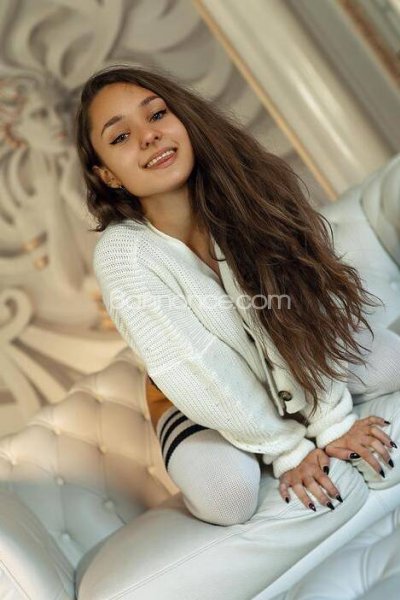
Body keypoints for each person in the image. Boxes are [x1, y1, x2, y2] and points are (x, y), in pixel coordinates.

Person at [74, 65, 400, 540]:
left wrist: (333, 423)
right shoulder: (124, 255)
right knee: (229, 496)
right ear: (108, 174)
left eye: (157, 114)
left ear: (184, 120)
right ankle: (256, 429)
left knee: (392, 364)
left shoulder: (246, 191)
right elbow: (199, 368)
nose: (149, 136)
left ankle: (285, 409)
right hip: (196, 394)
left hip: (288, 354)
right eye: (120, 136)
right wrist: (289, 450)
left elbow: (304, 309)